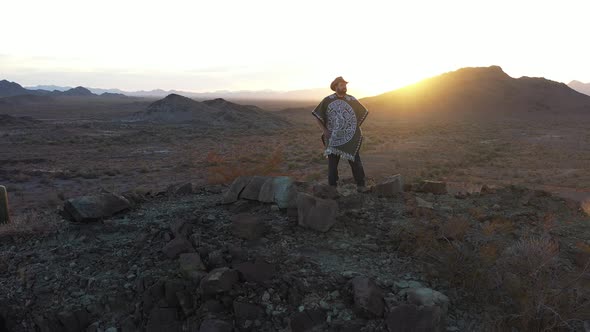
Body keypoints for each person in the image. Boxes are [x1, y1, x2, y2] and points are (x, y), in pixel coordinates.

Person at [312, 76, 370, 192]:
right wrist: (325, 131)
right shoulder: (327, 100)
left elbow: (363, 112)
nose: (344, 87)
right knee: (332, 164)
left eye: (345, 85)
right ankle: (332, 188)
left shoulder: (352, 100)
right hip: (333, 138)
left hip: (349, 138)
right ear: (335, 86)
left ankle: (361, 185)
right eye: (342, 85)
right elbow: (318, 116)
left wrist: (352, 127)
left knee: (355, 161)